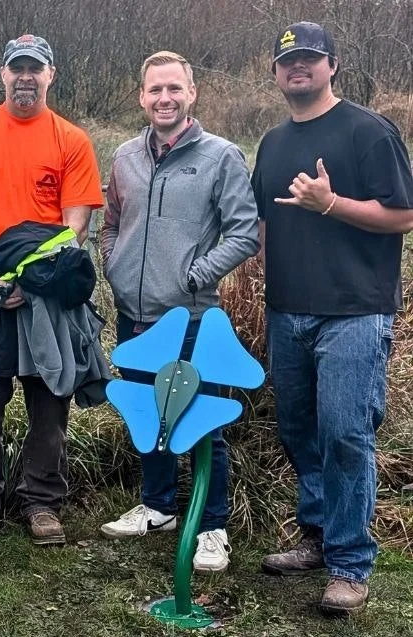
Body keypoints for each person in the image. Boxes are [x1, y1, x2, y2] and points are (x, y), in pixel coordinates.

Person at [252, 22, 413, 612]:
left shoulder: (368, 131)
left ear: (333, 65)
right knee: (299, 430)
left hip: (353, 312)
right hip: (287, 309)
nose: (298, 67)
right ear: (275, 72)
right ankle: (318, 536)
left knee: (346, 433)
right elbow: (263, 222)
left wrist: (332, 204)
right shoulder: (271, 142)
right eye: (287, 60)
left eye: (310, 58)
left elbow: (404, 214)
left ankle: (349, 563)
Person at [0, 35, 104, 546]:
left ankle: (42, 501)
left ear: (51, 74)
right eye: (17, 68)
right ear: (3, 74)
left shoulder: (71, 140)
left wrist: (31, 283)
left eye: (35, 68)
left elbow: (75, 226)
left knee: (50, 401)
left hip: (45, 296)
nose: (25, 77)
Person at [99, 51, 259, 572]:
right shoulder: (125, 156)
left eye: (174, 88)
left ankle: (212, 527)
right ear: (141, 97)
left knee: (202, 420)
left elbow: (244, 232)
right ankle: (158, 506)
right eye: (155, 90)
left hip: (191, 318)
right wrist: (114, 266)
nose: (164, 98)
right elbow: (111, 222)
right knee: (149, 413)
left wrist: (195, 274)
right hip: (135, 314)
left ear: (192, 93)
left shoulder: (221, 156)